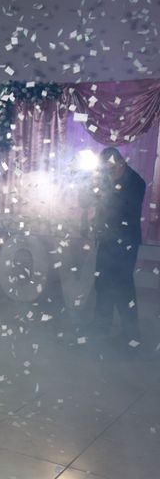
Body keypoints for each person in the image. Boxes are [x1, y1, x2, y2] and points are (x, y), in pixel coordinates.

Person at [93, 147, 146, 343]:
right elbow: (99, 206)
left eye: (111, 168)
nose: (109, 172)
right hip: (107, 240)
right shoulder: (107, 179)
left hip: (125, 244)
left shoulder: (136, 182)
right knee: (102, 283)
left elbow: (124, 210)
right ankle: (101, 326)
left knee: (123, 288)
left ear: (121, 162)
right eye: (106, 169)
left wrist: (109, 189)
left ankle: (132, 335)